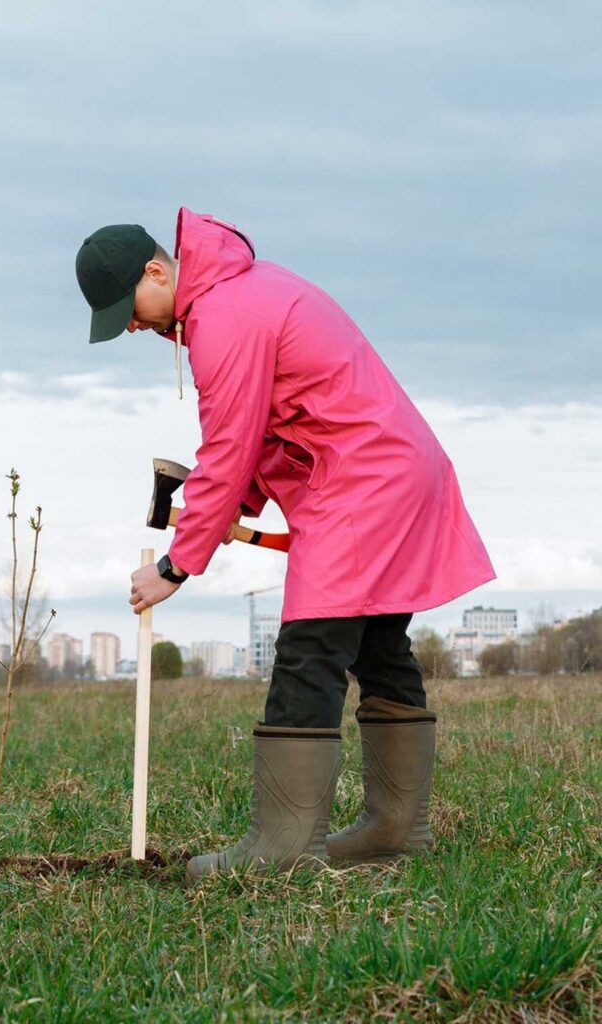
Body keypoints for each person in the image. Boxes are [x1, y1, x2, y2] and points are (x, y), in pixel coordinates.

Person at [75, 209, 495, 882]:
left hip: (360, 482)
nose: (131, 324)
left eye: (128, 308)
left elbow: (230, 447)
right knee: (380, 643)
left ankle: (283, 847)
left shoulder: (222, 319)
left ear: (157, 272)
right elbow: (261, 444)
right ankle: (394, 829)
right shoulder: (244, 290)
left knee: (310, 649)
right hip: (392, 468)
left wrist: (175, 564)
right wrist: (227, 508)